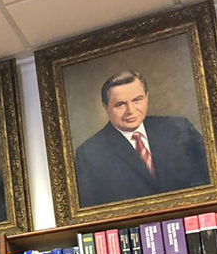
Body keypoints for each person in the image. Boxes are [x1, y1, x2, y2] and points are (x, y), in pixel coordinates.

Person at [74, 70, 209, 208]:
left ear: (146, 98)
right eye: (120, 104)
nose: (131, 110)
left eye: (137, 100)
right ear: (106, 107)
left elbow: (211, 181)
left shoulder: (179, 128)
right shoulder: (88, 155)